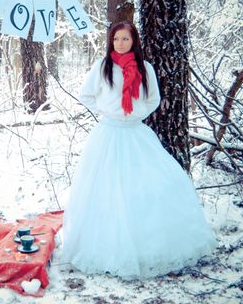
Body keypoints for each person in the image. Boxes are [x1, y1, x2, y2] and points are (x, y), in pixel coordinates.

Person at [62, 21, 217, 279]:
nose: (120, 44)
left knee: (149, 186)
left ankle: (148, 247)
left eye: (125, 39)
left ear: (134, 41)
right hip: (108, 135)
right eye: (116, 39)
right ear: (111, 42)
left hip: (136, 133)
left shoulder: (145, 69)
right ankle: (107, 248)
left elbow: (153, 99)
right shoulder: (103, 67)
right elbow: (85, 95)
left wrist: (136, 113)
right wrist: (109, 110)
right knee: (106, 190)